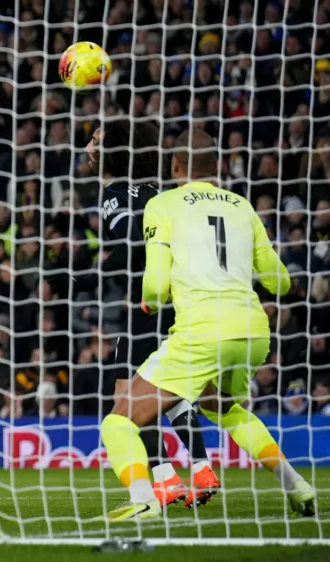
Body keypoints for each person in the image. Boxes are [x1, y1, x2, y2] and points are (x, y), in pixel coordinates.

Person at [100, 129, 316, 521]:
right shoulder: (242, 206)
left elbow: (154, 281)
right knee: (227, 410)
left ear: (176, 165)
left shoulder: (164, 204)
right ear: (215, 166)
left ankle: (144, 497)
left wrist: (150, 301)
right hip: (252, 332)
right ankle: (296, 485)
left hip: (202, 330)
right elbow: (278, 280)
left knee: (118, 420)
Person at [88, 120, 217, 509]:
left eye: (95, 140)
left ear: (112, 150)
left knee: (126, 395)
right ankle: (200, 467)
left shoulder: (114, 193)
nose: (89, 147)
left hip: (148, 304)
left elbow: (132, 239)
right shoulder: (159, 190)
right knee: (166, 389)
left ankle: (163, 480)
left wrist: (88, 274)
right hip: (185, 302)